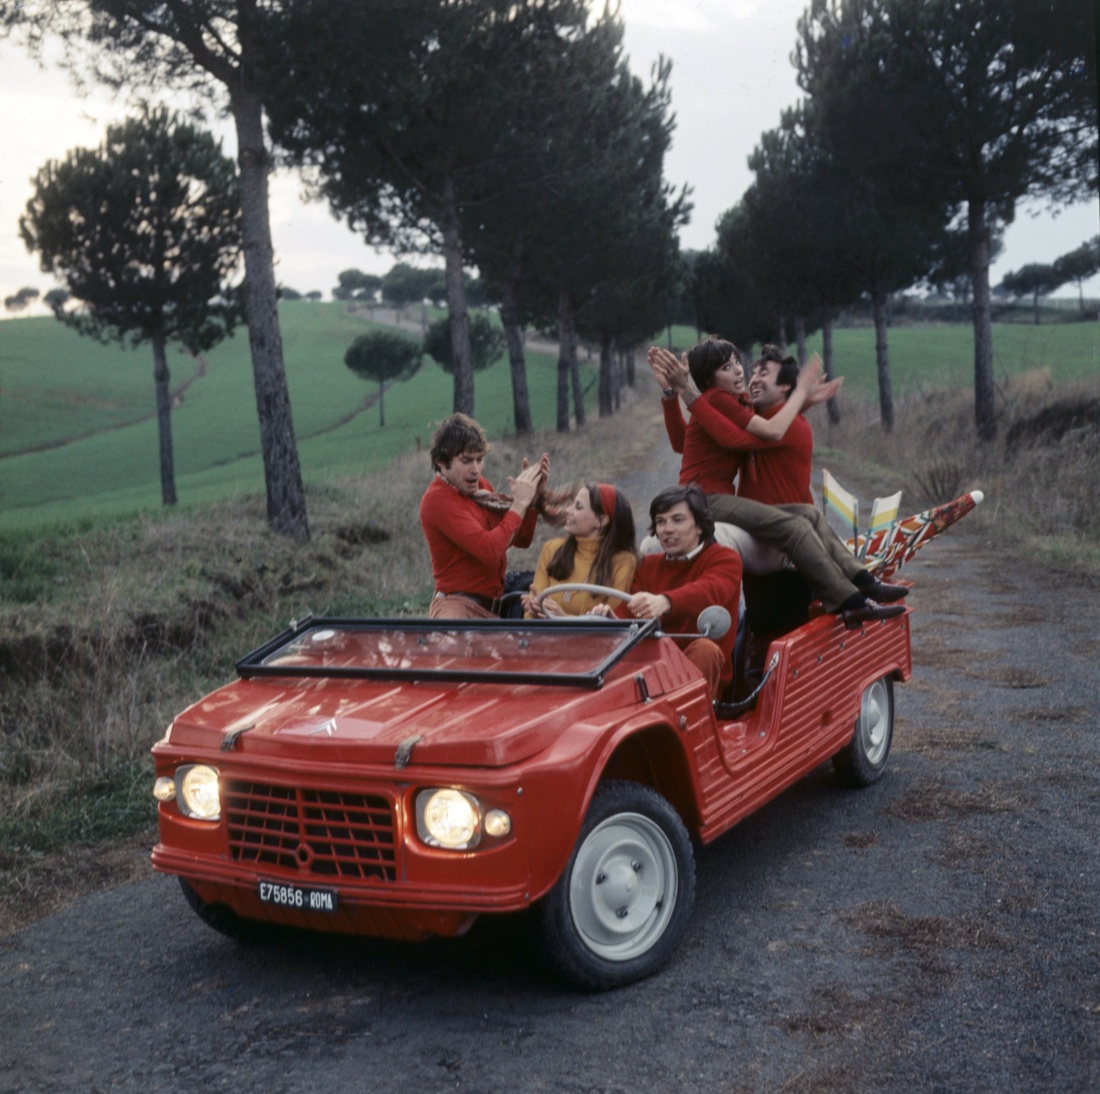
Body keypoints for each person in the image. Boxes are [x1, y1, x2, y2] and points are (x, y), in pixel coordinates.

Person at [650, 340, 907, 628]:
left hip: (714, 496)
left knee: (809, 514)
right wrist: (797, 397)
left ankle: (864, 579)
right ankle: (850, 602)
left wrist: (799, 402)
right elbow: (746, 437)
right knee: (794, 527)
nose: (738, 370)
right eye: (726, 367)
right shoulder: (716, 399)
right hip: (705, 498)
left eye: (737, 362)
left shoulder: (735, 402)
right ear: (708, 379)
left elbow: (684, 441)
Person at [590, 485, 741, 700]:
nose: (667, 529)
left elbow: (710, 591)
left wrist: (665, 602)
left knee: (705, 649)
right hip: (653, 667)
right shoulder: (648, 565)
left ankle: (690, 714)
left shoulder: (725, 559)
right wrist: (612, 619)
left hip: (700, 672)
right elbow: (630, 609)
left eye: (677, 520)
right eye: (660, 522)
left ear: (699, 526)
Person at [419, 412, 548, 619]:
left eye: (480, 459)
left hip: (491, 610)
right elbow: (490, 550)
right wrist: (519, 504)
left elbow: (520, 538)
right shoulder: (437, 499)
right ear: (442, 462)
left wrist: (532, 499)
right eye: (466, 461)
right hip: (457, 609)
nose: (476, 469)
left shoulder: (480, 487)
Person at [522, 483, 637, 618]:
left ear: (600, 521)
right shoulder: (551, 549)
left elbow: (612, 623)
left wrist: (563, 618)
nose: (567, 510)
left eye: (578, 507)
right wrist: (534, 609)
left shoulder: (623, 561)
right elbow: (529, 617)